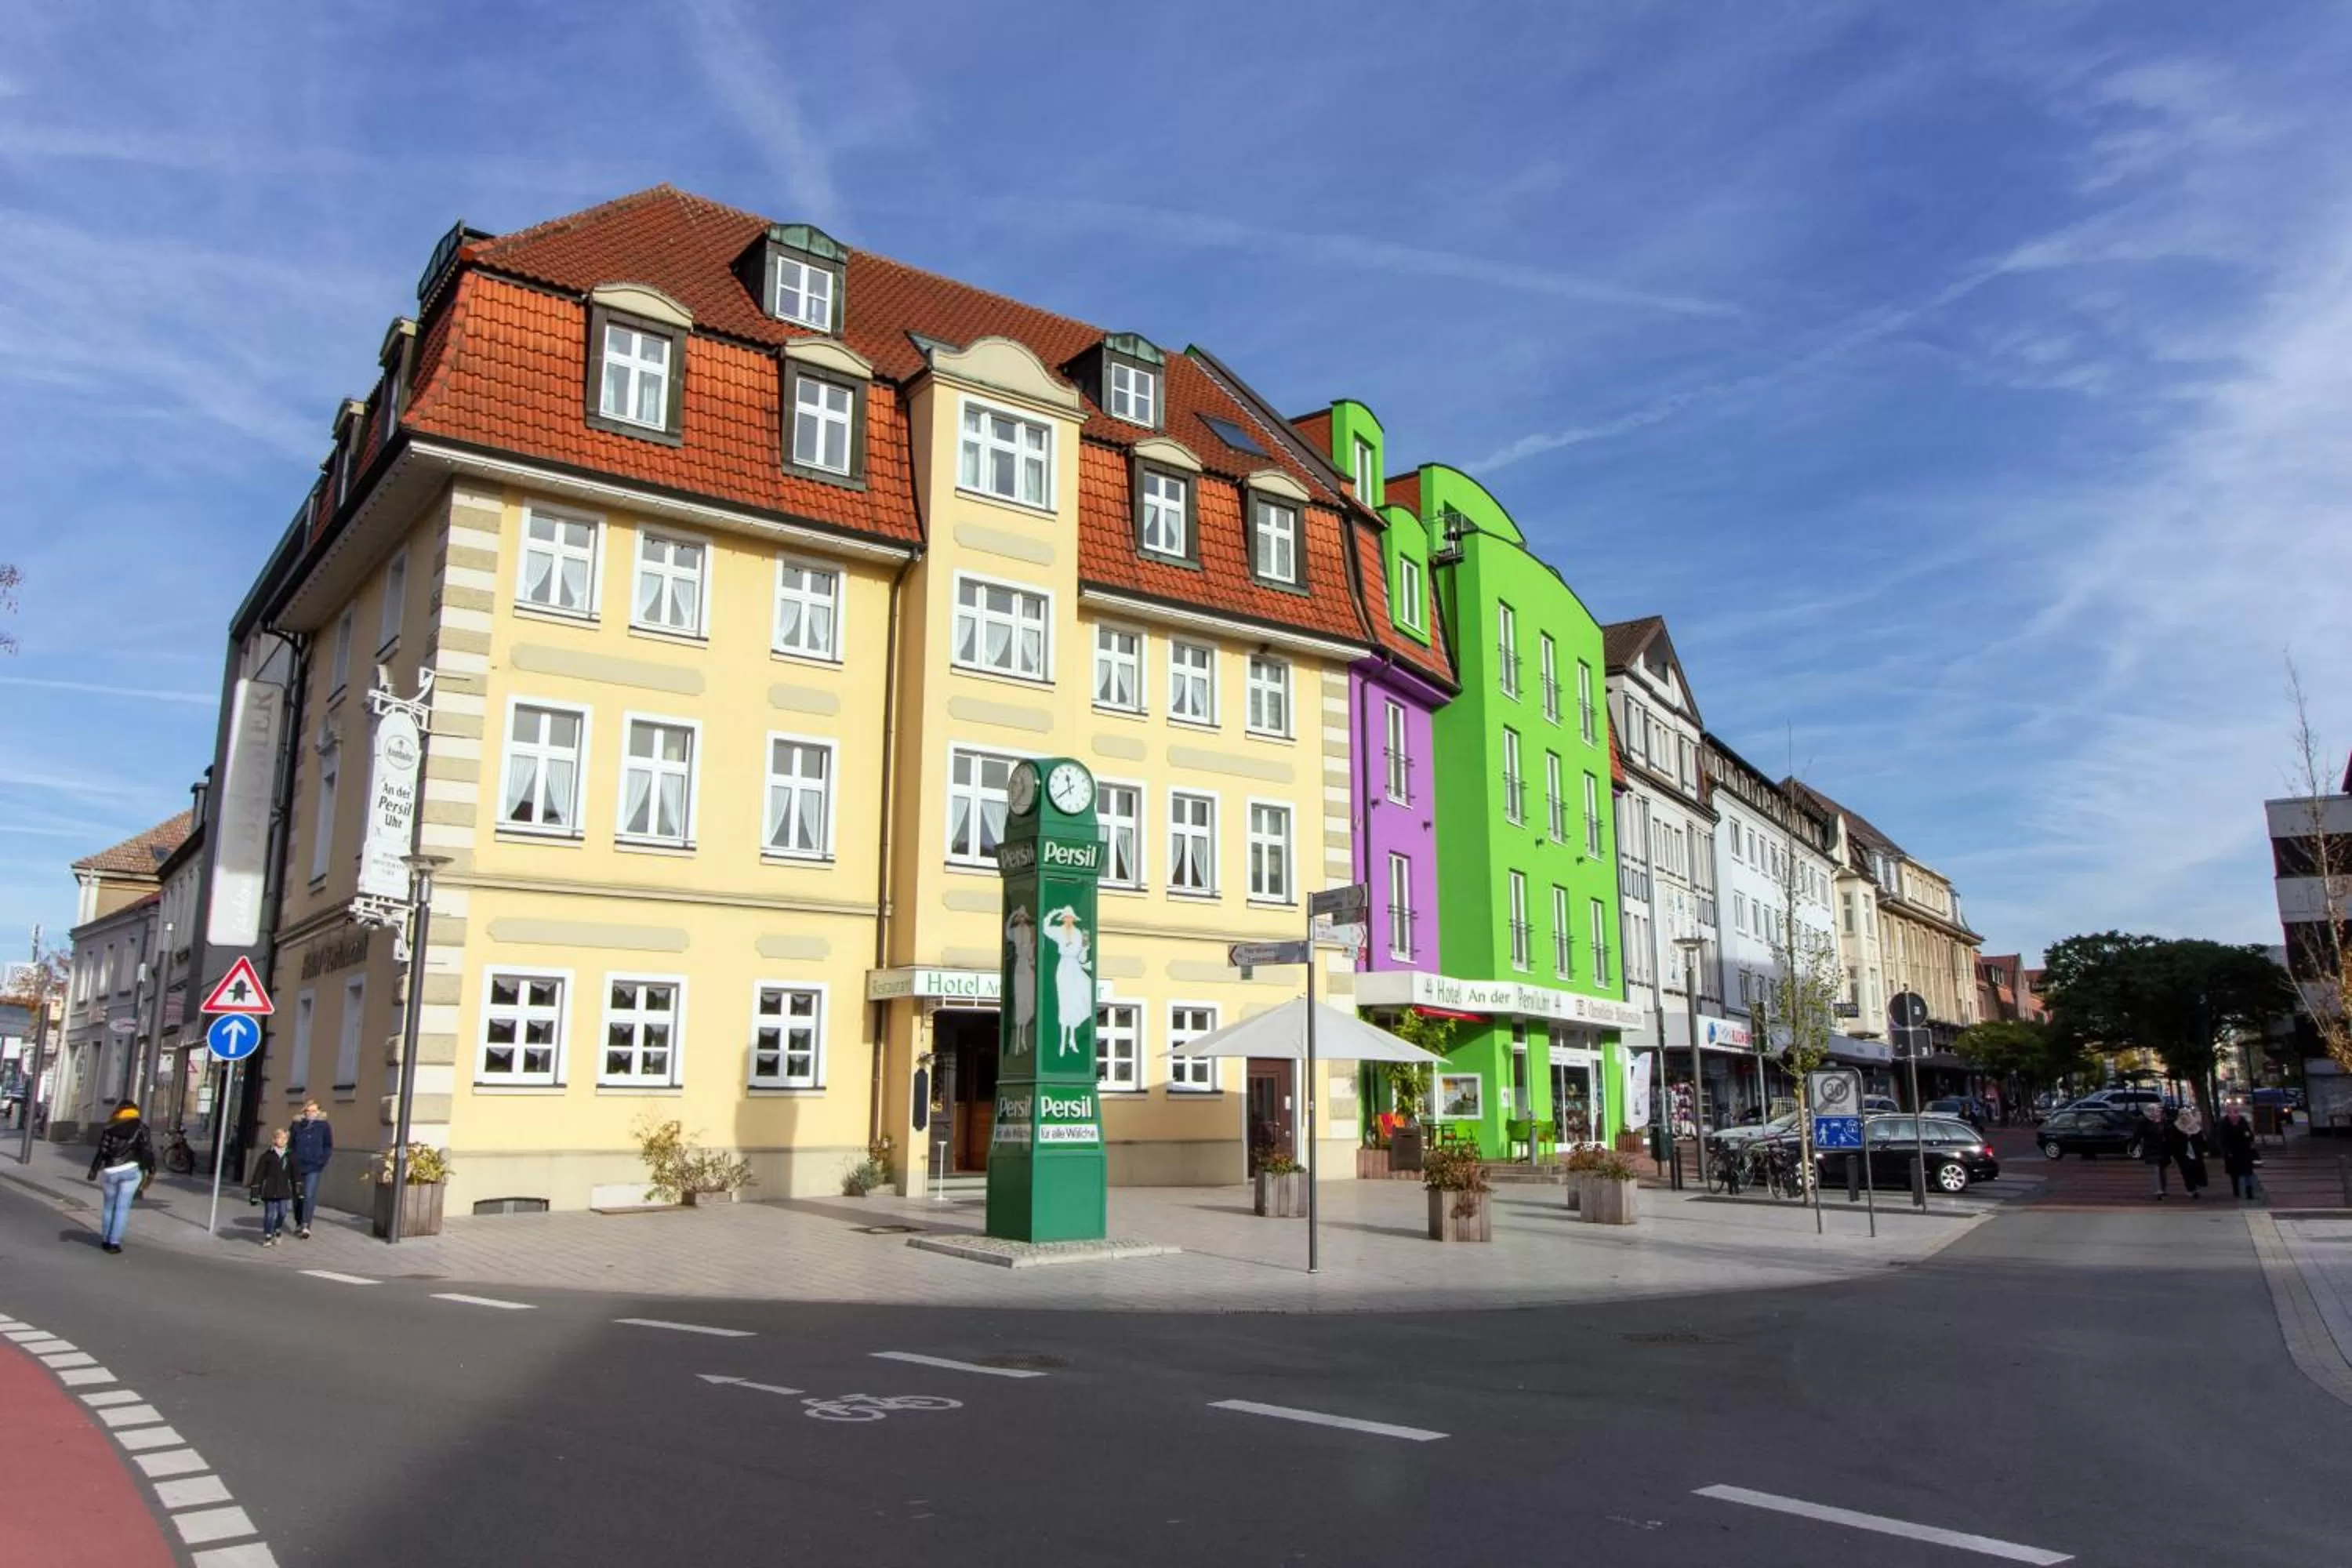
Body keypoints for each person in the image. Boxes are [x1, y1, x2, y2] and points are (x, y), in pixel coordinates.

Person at [85, 1099, 155, 1255]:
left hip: (110, 1171)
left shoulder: (110, 1127)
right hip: (131, 1171)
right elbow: (147, 1150)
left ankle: (105, 1239)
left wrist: (94, 1170)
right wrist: (151, 1170)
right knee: (122, 1208)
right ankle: (114, 1243)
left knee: (109, 1206)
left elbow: (102, 1150)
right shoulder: (141, 1127)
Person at [287, 1099, 334, 1240]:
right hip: (297, 1165)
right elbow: (290, 1144)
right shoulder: (296, 1125)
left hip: (314, 1165)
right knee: (298, 1196)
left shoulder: (324, 1126)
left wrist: (322, 1160)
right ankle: (298, 1221)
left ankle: (306, 1225)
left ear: (318, 1112)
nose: (311, 1114)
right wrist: (291, 1159)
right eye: (308, 1111)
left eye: (313, 1111)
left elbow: (328, 1145)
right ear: (304, 1112)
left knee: (309, 1195)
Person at [246, 1127, 296, 1247]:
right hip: (270, 1190)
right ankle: (268, 1234)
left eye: (285, 1138)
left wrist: (299, 1189)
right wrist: (255, 1192)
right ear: (274, 1140)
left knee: (283, 1213)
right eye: (280, 1138)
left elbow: (296, 1174)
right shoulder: (267, 1156)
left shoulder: (290, 1156)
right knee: (269, 1215)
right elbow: (259, 1174)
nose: (282, 1140)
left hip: (284, 1190)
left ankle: (277, 1229)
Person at [2217, 1105, 2260, 1201]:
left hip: (2244, 1151)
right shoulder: (2224, 1123)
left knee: (2248, 1172)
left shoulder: (2242, 1121)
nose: (2234, 1115)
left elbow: (2250, 1135)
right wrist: (2227, 1151)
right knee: (2234, 1173)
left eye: (2236, 1112)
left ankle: (2249, 1192)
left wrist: (2248, 1135)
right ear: (2228, 1113)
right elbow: (2223, 1139)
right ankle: (2236, 1191)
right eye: (2232, 1112)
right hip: (2232, 1152)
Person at [2175, 1102, 2209, 1200]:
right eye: (2182, 1115)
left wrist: (2205, 1150)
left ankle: (2196, 1187)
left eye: (2186, 1114)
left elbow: (2201, 1140)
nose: (2184, 1117)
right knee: (2186, 1172)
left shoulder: (2196, 1128)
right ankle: (2191, 1189)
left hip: (2196, 1153)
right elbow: (2174, 1142)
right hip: (2183, 1154)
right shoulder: (2176, 1128)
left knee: (2196, 1170)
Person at [2143, 1103, 2174, 1200]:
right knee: (2155, 1169)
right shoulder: (2145, 1123)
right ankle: (2158, 1189)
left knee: (2162, 1170)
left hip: (2163, 1150)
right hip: (2151, 1149)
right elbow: (2139, 1135)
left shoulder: (2165, 1123)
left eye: (2159, 1111)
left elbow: (2169, 1137)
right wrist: (2133, 1147)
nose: (2158, 1113)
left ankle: (2163, 1189)